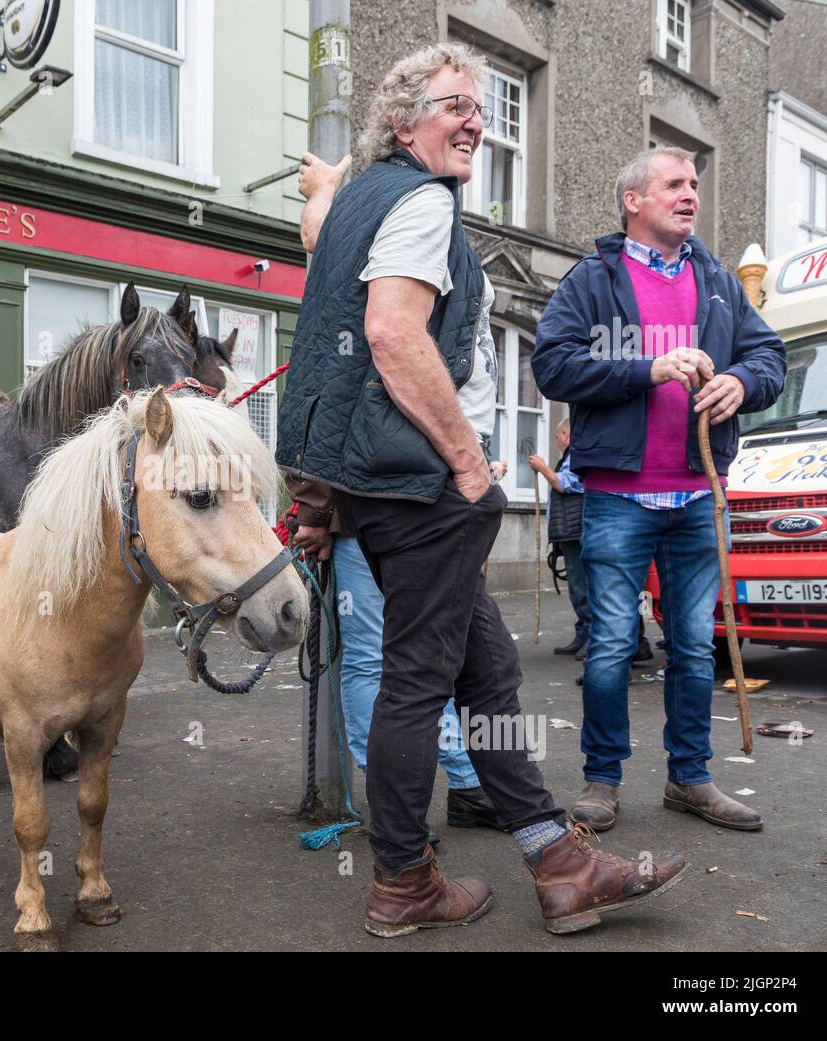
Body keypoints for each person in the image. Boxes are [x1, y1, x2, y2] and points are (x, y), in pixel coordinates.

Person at [276, 43, 687, 937]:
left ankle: (558, 860)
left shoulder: (357, 201)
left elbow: (325, 295)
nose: (475, 120)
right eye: (454, 105)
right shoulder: (422, 202)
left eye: (479, 105)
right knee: (417, 683)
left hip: (370, 482)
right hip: (422, 486)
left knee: (488, 672)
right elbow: (389, 333)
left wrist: (318, 497)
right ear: (403, 122)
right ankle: (404, 882)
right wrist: (469, 463)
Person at [532, 147, 786, 833]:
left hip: (700, 494)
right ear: (633, 201)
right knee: (613, 643)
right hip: (619, 496)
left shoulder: (718, 281)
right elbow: (552, 365)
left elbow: (770, 356)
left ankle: (690, 778)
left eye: (695, 185)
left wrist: (745, 382)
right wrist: (645, 369)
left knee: (695, 646)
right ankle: (602, 779)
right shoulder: (593, 279)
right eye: (674, 184)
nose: (690, 195)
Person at [291, 151, 503, 834]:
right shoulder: (402, 208)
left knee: (455, 657)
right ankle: (401, 823)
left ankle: (466, 792)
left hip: (428, 476)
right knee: (397, 660)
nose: (474, 124)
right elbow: (367, 324)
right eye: (457, 107)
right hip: (401, 477)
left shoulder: (427, 217)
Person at [529, 419, 590, 656]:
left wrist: (543, 468)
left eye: (557, 437)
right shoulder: (569, 457)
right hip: (569, 531)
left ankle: (590, 636)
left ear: (565, 434)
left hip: (576, 530)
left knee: (582, 586)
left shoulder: (575, 456)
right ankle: (582, 633)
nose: (557, 442)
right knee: (577, 587)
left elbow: (565, 485)